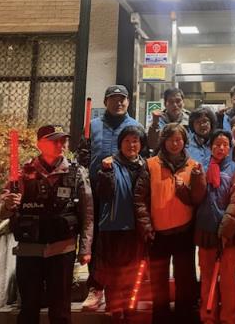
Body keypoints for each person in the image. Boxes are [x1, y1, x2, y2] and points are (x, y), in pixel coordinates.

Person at [0, 124, 93, 324]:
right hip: (29, 250)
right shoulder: (23, 173)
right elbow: (2, 211)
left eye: (63, 140)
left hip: (62, 249)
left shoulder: (76, 172)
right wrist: (8, 205)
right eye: (54, 141)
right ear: (40, 144)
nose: (60, 145)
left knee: (60, 311)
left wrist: (85, 247)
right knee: (28, 308)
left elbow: (87, 213)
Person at [134, 123, 207, 324]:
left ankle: (185, 317)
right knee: (158, 283)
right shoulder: (150, 165)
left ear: (184, 141)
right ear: (163, 141)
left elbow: (197, 199)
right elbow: (140, 198)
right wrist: (146, 226)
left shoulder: (193, 166)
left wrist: (195, 182)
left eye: (178, 140)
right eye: (170, 140)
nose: (175, 144)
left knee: (186, 280)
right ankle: (161, 318)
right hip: (158, 233)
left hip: (184, 231)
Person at [79, 84, 142, 311]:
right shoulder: (93, 125)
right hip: (96, 192)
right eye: (114, 98)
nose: (119, 102)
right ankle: (96, 288)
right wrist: (82, 155)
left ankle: (122, 290)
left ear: (128, 102)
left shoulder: (135, 126)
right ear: (106, 102)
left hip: (123, 195)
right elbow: (83, 157)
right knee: (96, 242)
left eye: (122, 98)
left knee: (122, 245)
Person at [194, 130, 235, 324]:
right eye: (217, 144)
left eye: (225, 144)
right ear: (210, 147)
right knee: (207, 279)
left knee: (228, 280)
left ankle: (228, 319)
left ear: (230, 147)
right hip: (206, 232)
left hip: (228, 235)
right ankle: (208, 318)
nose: (221, 148)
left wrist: (225, 231)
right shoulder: (200, 168)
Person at [94, 125, 147, 322]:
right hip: (114, 227)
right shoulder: (109, 164)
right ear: (120, 143)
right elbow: (103, 193)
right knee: (114, 274)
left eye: (135, 141)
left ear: (141, 144)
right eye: (127, 141)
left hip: (137, 228)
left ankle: (130, 310)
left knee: (134, 273)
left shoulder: (146, 166)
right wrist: (106, 172)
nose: (131, 145)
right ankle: (116, 313)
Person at [147, 87, 191, 152]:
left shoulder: (190, 119)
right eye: (171, 102)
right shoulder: (157, 119)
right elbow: (152, 145)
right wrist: (155, 123)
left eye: (178, 101)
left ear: (183, 103)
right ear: (165, 104)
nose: (175, 105)